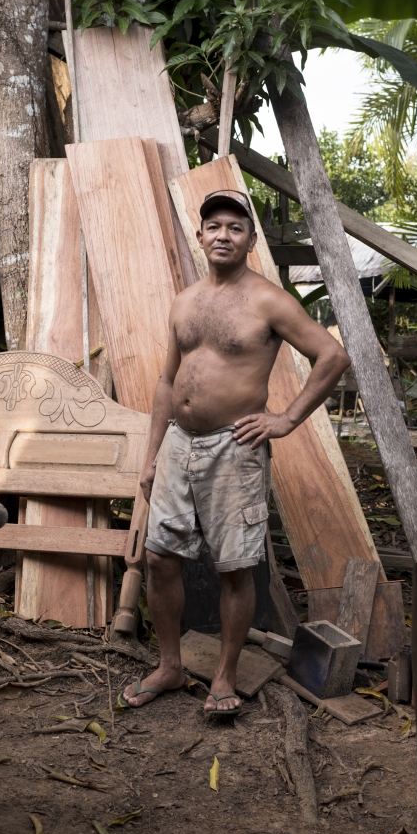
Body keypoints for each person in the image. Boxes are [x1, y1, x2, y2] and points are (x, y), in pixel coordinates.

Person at [120, 188, 350, 716]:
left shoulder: (268, 300)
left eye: (235, 227)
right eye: (214, 226)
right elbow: (166, 381)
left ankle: (223, 677)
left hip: (234, 448)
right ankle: (171, 666)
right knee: (159, 559)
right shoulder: (185, 299)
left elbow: (332, 355)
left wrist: (286, 419)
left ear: (249, 240)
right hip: (179, 443)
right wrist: (152, 456)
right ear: (200, 236)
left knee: (234, 568)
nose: (223, 234)